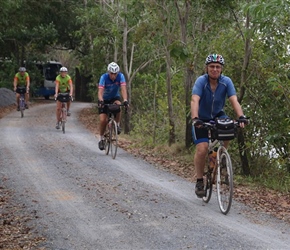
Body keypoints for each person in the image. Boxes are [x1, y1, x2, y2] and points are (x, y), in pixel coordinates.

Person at [191, 53, 248, 198]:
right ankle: (199, 180)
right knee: (202, 149)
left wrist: (241, 117)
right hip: (201, 118)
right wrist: (195, 118)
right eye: (212, 67)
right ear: (207, 68)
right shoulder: (201, 81)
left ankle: (221, 155)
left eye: (217, 67)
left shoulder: (226, 82)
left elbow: (234, 100)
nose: (214, 69)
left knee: (229, 126)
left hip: (217, 116)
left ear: (221, 69)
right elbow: (194, 100)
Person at [97, 62, 129, 150]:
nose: (113, 76)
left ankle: (117, 125)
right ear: (108, 72)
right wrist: (101, 101)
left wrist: (125, 100)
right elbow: (100, 92)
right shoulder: (104, 77)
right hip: (104, 99)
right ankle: (101, 138)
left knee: (119, 105)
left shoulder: (121, 76)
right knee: (103, 120)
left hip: (114, 97)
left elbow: (123, 89)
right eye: (112, 73)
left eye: (115, 74)